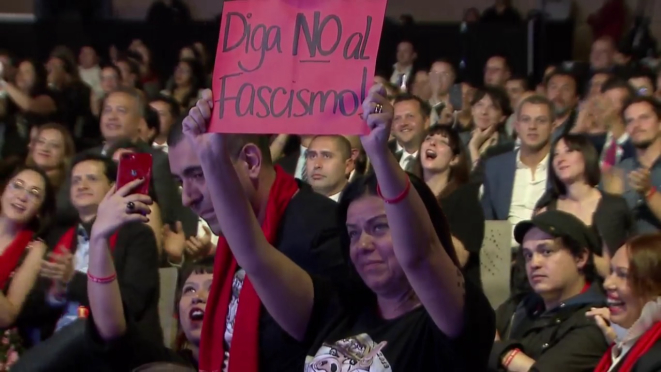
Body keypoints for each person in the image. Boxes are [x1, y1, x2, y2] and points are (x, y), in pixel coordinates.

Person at [179, 86, 495, 370]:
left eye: (380, 227)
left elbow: (419, 256)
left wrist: (380, 155)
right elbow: (254, 255)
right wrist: (211, 157)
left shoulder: (450, 321)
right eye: (354, 233)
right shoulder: (336, 309)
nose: (363, 244)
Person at [491, 210, 609, 371]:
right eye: (528, 255)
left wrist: (502, 352)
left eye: (546, 251)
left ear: (580, 257)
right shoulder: (520, 305)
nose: (534, 263)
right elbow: (477, 332)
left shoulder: (596, 319)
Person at [416, 125, 484, 288]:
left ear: (455, 159)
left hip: (452, 290)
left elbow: (459, 258)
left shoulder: (466, 195)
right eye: (428, 139)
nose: (432, 143)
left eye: (442, 142)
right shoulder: (407, 194)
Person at [588, 233, 661, 371]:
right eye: (611, 271)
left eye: (623, 274)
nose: (607, 283)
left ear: (656, 286)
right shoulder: (623, 346)